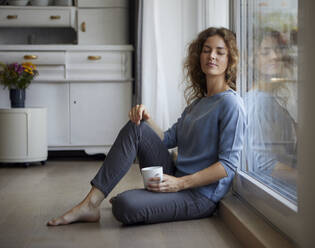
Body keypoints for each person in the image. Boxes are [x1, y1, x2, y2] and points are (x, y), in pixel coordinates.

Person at [47, 27, 246, 226]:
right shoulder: (197, 104)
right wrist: (146, 117)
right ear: (199, 55)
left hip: (200, 196)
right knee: (137, 127)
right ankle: (91, 204)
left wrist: (180, 183)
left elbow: (228, 165)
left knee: (124, 205)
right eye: (206, 50)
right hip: (175, 176)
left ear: (230, 60)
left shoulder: (231, 104)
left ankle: (135, 200)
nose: (211, 56)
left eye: (220, 52)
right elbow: (166, 139)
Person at [244, 29, 297, 187]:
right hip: (275, 190)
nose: (275, 56)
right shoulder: (261, 102)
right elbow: (265, 165)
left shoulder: (266, 98)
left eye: (277, 50)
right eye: (265, 52)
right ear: (253, 60)